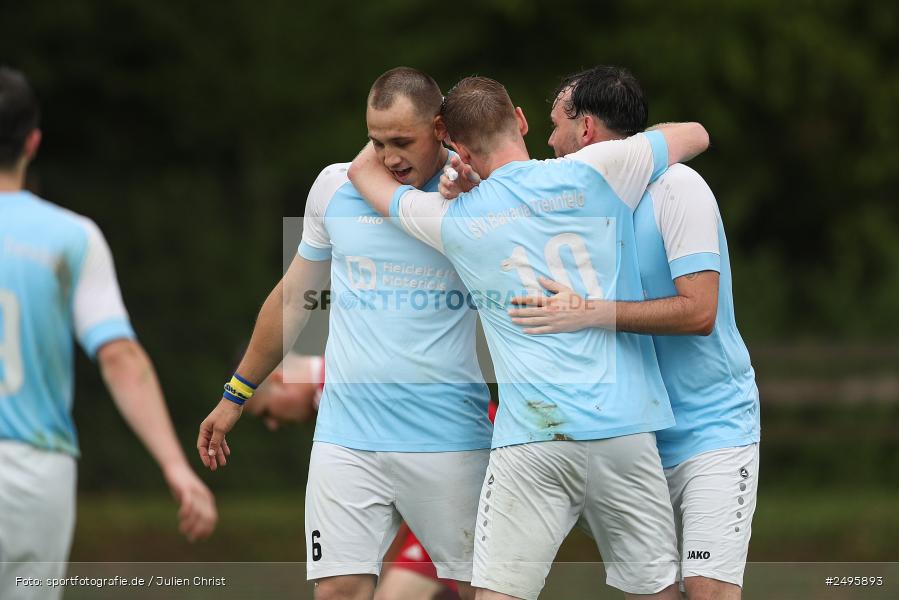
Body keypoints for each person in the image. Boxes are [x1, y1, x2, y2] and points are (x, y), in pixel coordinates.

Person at [347, 75, 709, 600]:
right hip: (624, 430)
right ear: (520, 119)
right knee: (655, 593)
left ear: (455, 144)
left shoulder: (451, 219)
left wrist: (422, 123)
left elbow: (363, 171)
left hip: (534, 438)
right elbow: (695, 134)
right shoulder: (598, 170)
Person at [197, 67, 492, 600]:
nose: (388, 156)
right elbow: (292, 298)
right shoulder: (335, 186)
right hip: (346, 439)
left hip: (448, 436)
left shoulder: (477, 193)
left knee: (483, 590)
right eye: (377, 141)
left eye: (403, 141)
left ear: (441, 127)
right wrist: (235, 394)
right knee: (337, 590)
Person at [505, 66, 760, 600]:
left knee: (708, 589)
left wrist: (592, 312)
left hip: (712, 428)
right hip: (630, 440)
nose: (548, 141)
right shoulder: (573, 209)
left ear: (588, 129)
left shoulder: (677, 187)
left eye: (556, 125)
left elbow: (699, 312)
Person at [0, 66, 217, 599]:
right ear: (33, 141)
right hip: (31, 472)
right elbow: (119, 356)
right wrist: (174, 463)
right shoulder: (71, 237)